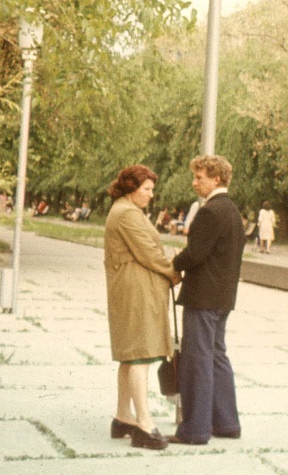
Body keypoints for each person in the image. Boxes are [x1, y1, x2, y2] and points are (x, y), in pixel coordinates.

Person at [169, 154, 246, 444]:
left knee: (197, 361)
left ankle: (195, 429)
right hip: (224, 297)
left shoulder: (210, 212)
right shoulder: (233, 212)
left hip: (203, 298)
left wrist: (174, 265)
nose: (194, 182)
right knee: (216, 357)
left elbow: (195, 254)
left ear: (216, 179)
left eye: (199, 177)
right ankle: (226, 423)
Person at [103, 164, 180, 451]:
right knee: (140, 355)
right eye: (147, 189)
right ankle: (144, 425)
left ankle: (123, 417)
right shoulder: (127, 214)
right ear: (132, 188)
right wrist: (174, 271)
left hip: (132, 288)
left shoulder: (124, 210)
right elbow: (149, 252)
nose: (151, 194)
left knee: (130, 356)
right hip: (135, 290)